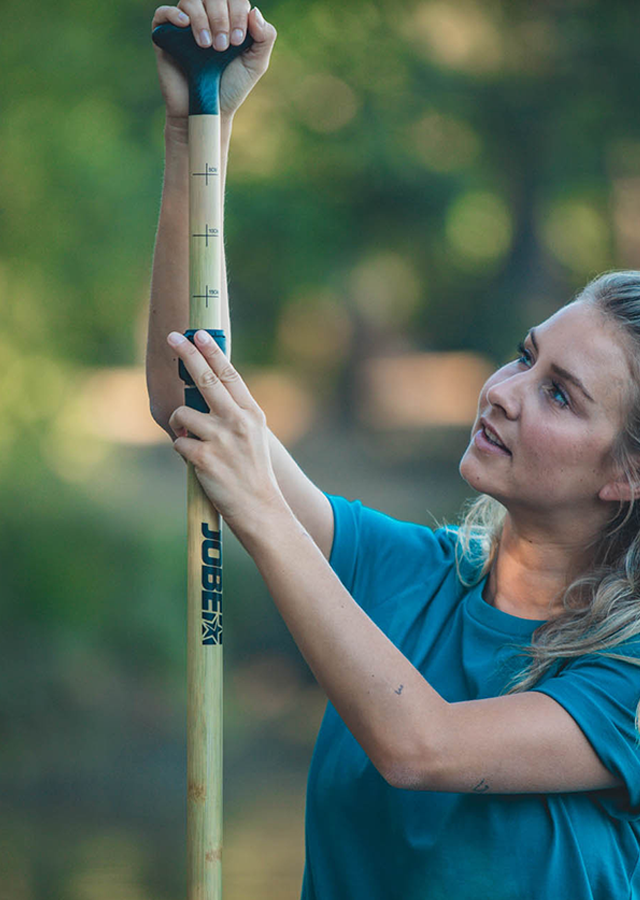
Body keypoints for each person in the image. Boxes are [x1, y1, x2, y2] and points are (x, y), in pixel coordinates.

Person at [147, 5, 640, 898]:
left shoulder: (627, 683)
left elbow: (426, 746)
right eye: (526, 357)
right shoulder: (412, 578)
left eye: (560, 395)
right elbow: (194, 404)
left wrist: (259, 509)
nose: (503, 392)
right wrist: (195, 132)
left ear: (626, 474)